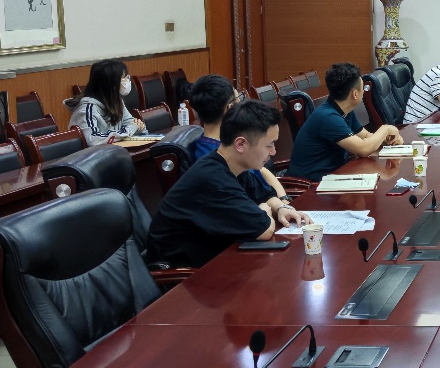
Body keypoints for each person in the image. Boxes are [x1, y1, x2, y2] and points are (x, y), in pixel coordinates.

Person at [148, 100, 310, 268]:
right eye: (269, 145)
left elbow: (266, 195)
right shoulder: (213, 179)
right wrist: (263, 211)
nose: (273, 152)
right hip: (183, 274)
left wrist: (282, 208)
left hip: (216, 259)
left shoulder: (234, 166)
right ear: (241, 144)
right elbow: (264, 230)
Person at [288, 63, 403, 181]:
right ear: (355, 94)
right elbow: (363, 149)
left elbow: (365, 136)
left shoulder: (343, 110)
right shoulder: (328, 117)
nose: (364, 92)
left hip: (334, 176)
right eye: (362, 88)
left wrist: (387, 140)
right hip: (310, 185)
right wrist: (386, 129)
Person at [187, 74, 292, 203]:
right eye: (239, 99)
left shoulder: (222, 143)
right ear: (230, 108)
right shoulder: (221, 155)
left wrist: (283, 200)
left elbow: (261, 171)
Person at [67, 59, 146, 146]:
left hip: (115, 151)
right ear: (111, 83)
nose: (127, 80)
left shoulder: (116, 101)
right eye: (124, 77)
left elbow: (133, 124)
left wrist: (137, 127)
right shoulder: (86, 110)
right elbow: (93, 140)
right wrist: (131, 129)